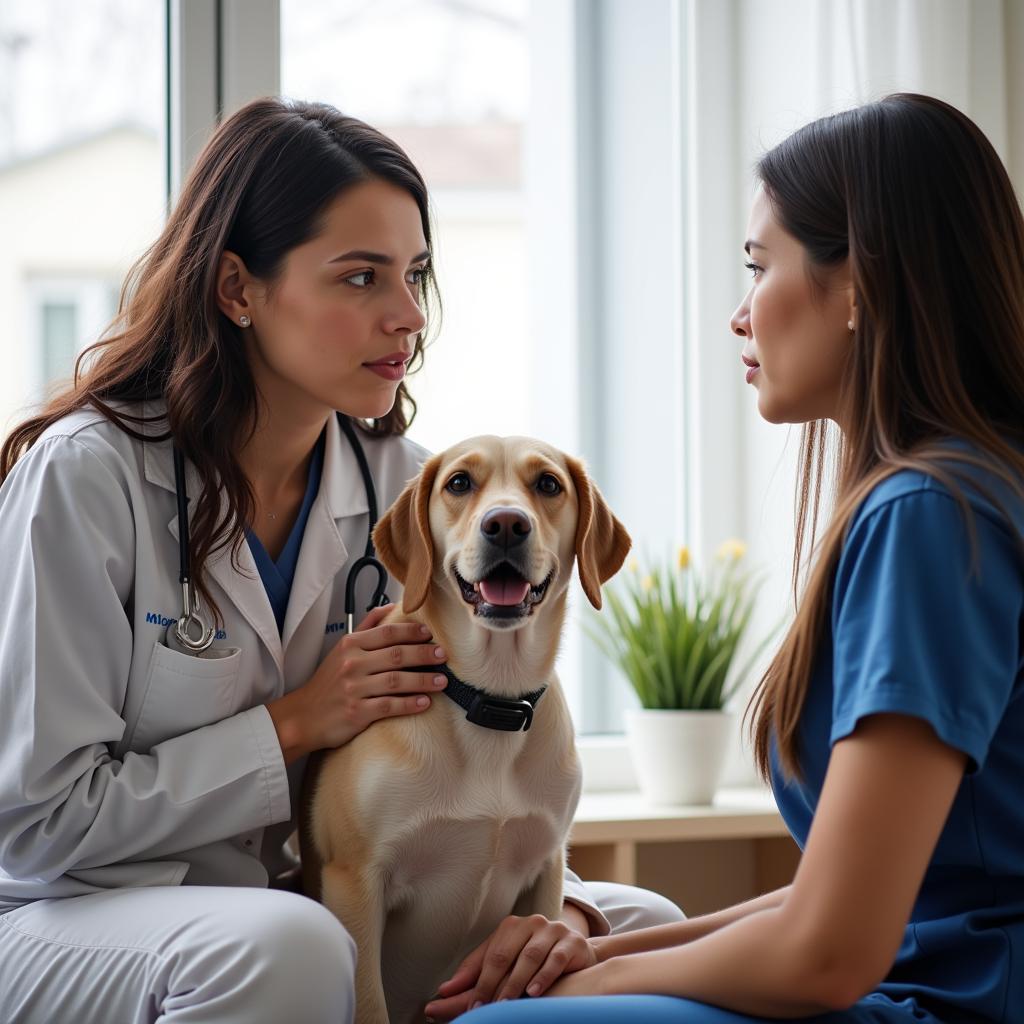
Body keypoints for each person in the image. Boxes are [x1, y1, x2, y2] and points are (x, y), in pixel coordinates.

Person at [0, 97, 681, 1024]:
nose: (407, 316)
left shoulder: (413, 487)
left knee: (638, 920)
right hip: (73, 911)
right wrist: (293, 724)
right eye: (361, 278)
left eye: (415, 275)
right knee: (291, 949)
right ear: (238, 290)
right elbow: (39, 825)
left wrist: (553, 909)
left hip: (283, 890)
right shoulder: (86, 477)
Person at [450, 92, 1024, 1022]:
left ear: (861, 287)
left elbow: (832, 953)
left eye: (760, 267)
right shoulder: (977, 490)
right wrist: (596, 950)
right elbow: (837, 904)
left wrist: (591, 978)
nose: (738, 315)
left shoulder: (928, 514)